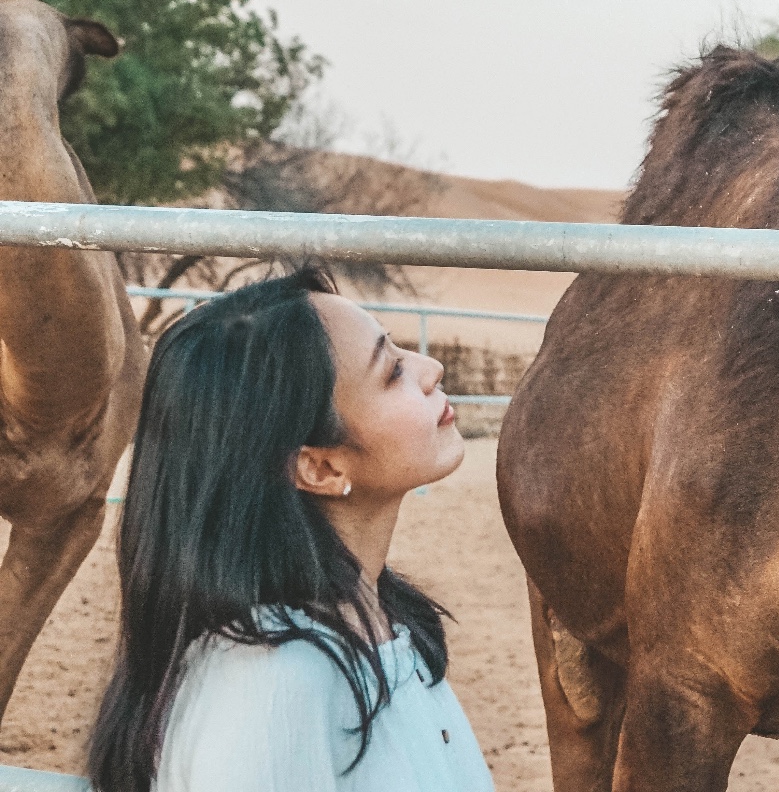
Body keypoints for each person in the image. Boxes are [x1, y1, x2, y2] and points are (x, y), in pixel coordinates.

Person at [87, 269, 494, 792]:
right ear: (320, 468)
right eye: (391, 371)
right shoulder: (271, 684)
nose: (430, 368)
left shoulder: (383, 620)